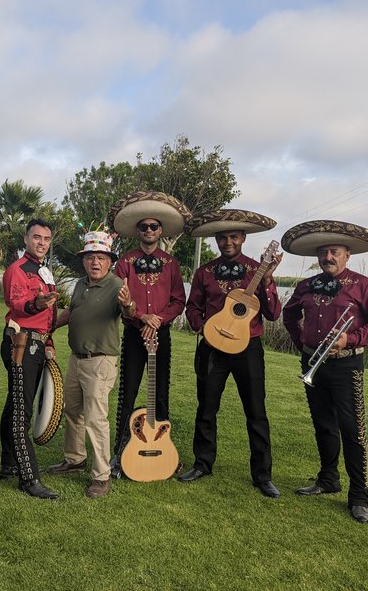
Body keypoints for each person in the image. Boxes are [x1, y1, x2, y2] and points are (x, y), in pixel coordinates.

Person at [281, 219, 368, 523]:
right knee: (323, 425)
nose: (327, 257)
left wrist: (350, 338)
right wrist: (300, 339)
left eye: (334, 251)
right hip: (311, 363)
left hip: (346, 365)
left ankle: (359, 496)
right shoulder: (306, 285)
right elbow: (289, 314)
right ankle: (328, 479)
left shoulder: (364, 285)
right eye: (323, 252)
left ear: (347, 255)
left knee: (353, 431)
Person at [180, 209, 283, 499]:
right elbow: (192, 308)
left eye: (234, 236)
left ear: (243, 238)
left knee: (256, 412)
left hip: (248, 347)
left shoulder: (257, 270)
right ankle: (202, 463)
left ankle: (263, 475)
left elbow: (274, 314)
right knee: (206, 408)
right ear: (216, 239)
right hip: (213, 348)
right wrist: (206, 328)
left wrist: (267, 281)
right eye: (223, 237)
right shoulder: (204, 273)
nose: (228, 241)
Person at [46, 228, 135, 498]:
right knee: (73, 410)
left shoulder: (118, 286)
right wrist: (47, 326)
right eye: (90, 257)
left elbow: (128, 311)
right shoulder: (81, 284)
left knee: (96, 419)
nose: (95, 262)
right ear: (83, 260)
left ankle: (101, 475)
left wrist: (129, 304)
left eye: (100, 257)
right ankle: (75, 459)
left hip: (100, 361)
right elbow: (73, 313)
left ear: (110, 261)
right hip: (76, 358)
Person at [107, 191, 189, 477]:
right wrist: (142, 317)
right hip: (133, 335)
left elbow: (179, 301)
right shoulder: (124, 263)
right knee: (126, 394)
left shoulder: (172, 264)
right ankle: (118, 454)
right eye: (144, 226)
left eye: (154, 226)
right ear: (138, 231)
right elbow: (118, 297)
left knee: (161, 393)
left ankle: (165, 450)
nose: (149, 231)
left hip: (160, 336)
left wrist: (159, 320)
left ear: (161, 230)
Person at [0, 218, 60, 499]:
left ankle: (8, 463)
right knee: (21, 411)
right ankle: (29, 477)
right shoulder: (18, 269)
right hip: (20, 342)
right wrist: (35, 303)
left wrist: (49, 341)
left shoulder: (44, 271)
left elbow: (48, 315)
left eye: (47, 239)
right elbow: (18, 305)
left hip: (36, 343)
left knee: (16, 402)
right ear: (26, 239)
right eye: (37, 237)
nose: (42, 243)